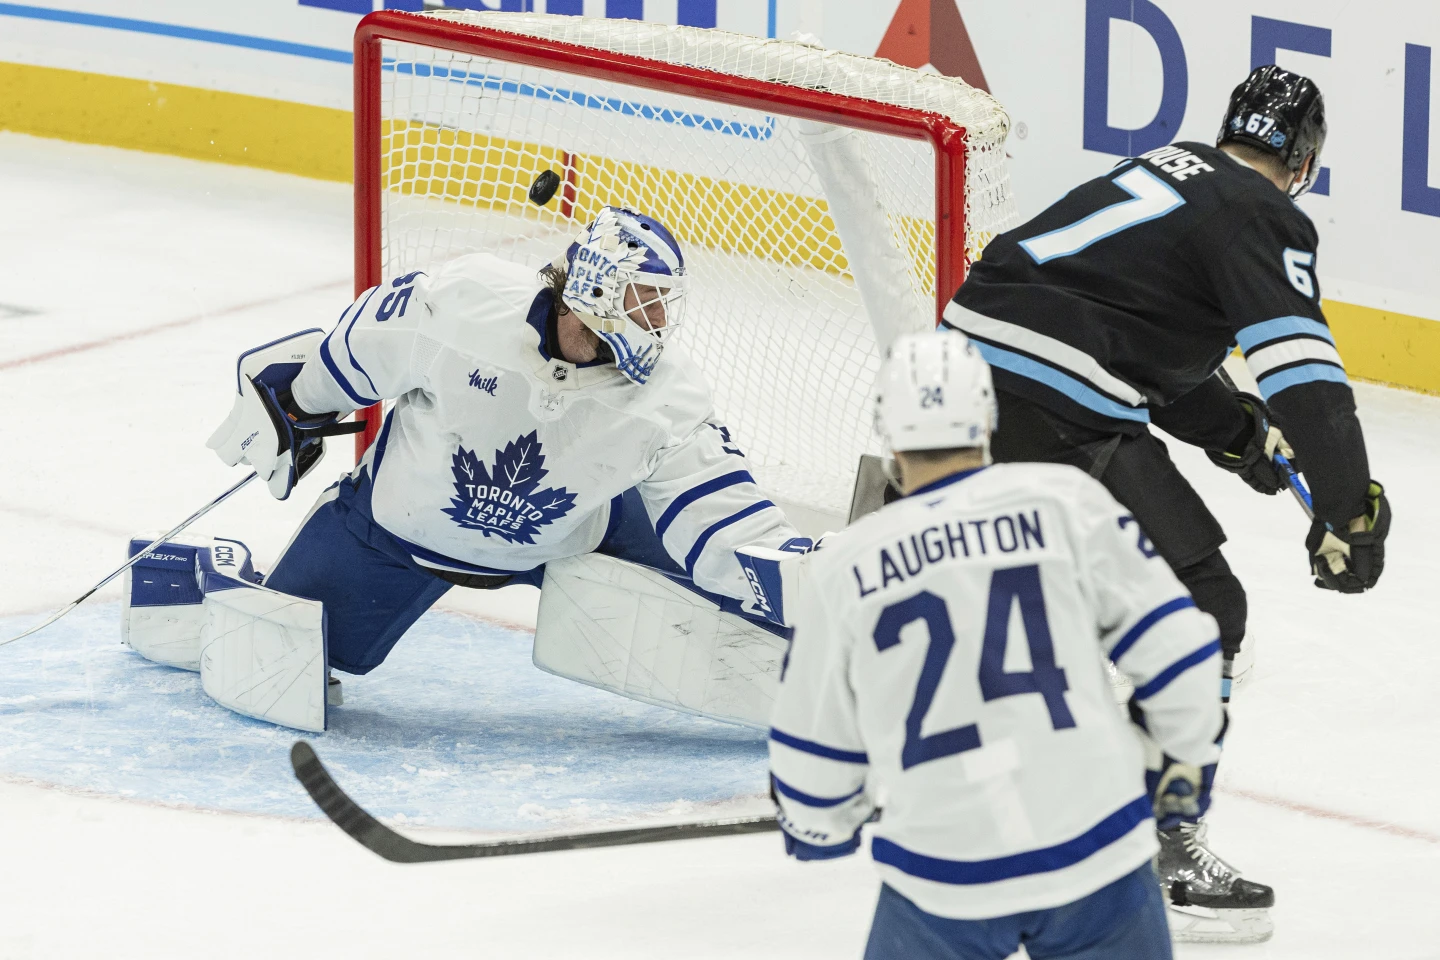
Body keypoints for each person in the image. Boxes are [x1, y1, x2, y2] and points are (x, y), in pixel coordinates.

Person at [940, 65, 1389, 940]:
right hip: (1051, 402)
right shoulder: (1262, 212)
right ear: (1302, 163)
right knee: (1201, 609)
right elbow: (1302, 372)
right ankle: (1155, 852)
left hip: (957, 380)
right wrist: (1350, 509)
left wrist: (1239, 433)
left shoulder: (1163, 167)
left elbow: (1134, 335)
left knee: (1057, 606)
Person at [145, 205, 807, 730]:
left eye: (664, 301)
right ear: (594, 290)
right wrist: (298, 398)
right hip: (397, 535)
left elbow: (719, 512)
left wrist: (799, 578)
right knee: (280, 655)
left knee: (745, 613)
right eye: (645, 298)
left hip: (575, 535)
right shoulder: (465, 303)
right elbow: (357, 351)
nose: (659, 319)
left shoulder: (667, 394)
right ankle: (206, 577)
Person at [768, 329, 1225, 960]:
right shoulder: (1065, 501)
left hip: (943, 874)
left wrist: (821, 823)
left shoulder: (845, 565)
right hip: (1096, 849)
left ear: (889, 433)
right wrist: (1179, 770)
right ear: (987, 417)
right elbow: (1183, 653)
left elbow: (812, 742)